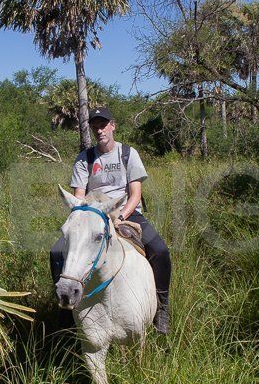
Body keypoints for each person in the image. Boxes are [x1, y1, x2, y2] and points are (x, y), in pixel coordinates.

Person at [49, 106, 172, 334]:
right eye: (95, 126)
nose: (99, 130)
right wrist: (83, 216)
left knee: (160, 250)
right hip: (94, 213)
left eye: (103, 125)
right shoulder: (84, 158)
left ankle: (162, 307)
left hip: (125, 211)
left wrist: (120, 217)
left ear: (112, 125)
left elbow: (135, 194)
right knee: (56, 252)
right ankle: (65, 305)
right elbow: (79, 196)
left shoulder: (128, 154)